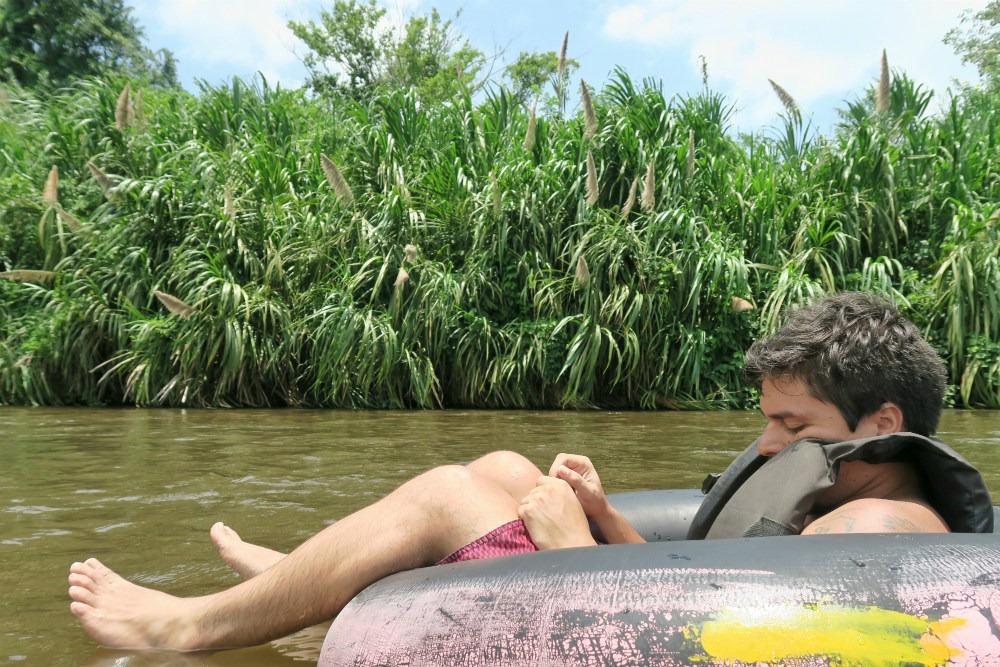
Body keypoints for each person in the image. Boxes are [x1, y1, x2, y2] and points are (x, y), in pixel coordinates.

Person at [67, 291, 980, 652]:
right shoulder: (850, 495)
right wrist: (602, 524)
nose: (771, 444)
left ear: (884, 423)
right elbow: (712, 582)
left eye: (792, 424)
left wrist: (572, 549)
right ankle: (311, 593)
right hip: (648, 602)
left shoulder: (878, 536)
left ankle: (185, 628)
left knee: (447, 492)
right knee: (505, 464)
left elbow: (698, 648)